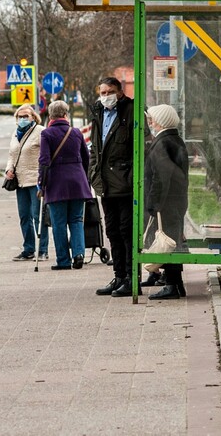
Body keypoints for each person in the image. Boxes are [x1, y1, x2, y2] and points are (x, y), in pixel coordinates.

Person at [89, 77, 137, 297]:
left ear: (119, 92)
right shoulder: (99, 114)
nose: (105, 96)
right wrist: (93, 174)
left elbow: (139, 147)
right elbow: (95, 149)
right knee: (112, 231)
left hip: (125, 185)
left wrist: (131, 177)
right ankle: (119, 276)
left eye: (109, 92)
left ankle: (130, 276)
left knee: (127, 231)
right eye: (102, 92)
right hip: (105, 185)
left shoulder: (131, 111)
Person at [38, 100, 92, 270]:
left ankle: (63, 261)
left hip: (56, 185)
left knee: (59, 223)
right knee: (76, 220)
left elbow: (44, 161)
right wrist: (86, 180)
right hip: (78, 183)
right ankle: (79, 254)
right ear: (65, 114)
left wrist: (41, 183)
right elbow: (86, 159)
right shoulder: (76, 132)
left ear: (51, 115)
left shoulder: (47, 134)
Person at [142, 104, 189, 299]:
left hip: (166, 202)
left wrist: (153, 204)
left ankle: (171, 285)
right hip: (176, 200)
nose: (150, 122)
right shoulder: (175, 139)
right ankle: (176, 284)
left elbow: (161, 177)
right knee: (173, 241)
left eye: (152, 119)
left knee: (167, 242)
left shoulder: (163, 142)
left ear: (161, 121)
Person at [5, 104, 49, 261]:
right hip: (20, 180)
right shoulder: (15, 134)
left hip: (35, 179)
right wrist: (8, 169)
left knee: (38, 216)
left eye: (26, 116)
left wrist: (43, 176)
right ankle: (28, 249)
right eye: (20, 116)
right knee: (24, 216)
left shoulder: (41, 132)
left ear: (33, 117)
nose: (22, 119)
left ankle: (42, 250)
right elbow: (12, 155)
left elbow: (46, 155)